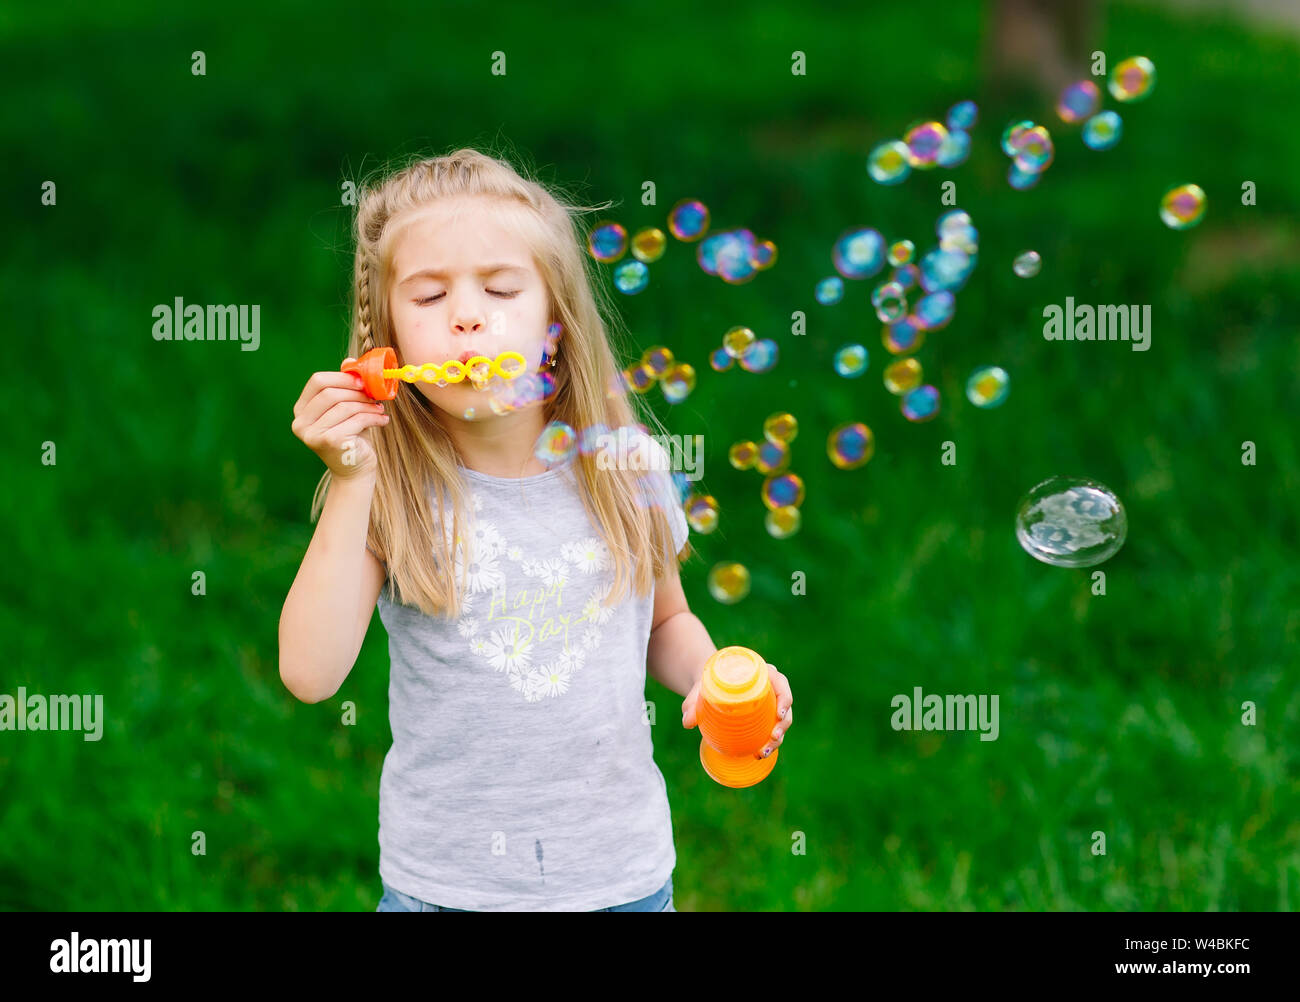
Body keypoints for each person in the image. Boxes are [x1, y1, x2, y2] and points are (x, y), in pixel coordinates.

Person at [278, 147, 795, 911]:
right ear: (385, 339)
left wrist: (711, 678)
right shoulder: (391, 493)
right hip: (446, 891)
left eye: (499, 287)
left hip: (619, 881)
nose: (466, 315)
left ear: (556, 317)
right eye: (428, 298)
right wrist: (354, 477)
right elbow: (310, 674)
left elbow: (666, 622)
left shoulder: (625, 469)